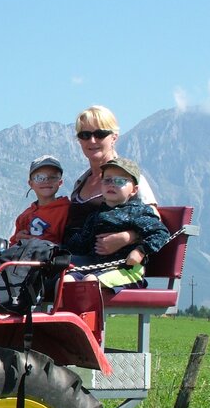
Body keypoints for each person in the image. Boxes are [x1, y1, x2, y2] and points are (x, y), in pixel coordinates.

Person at [63, 158, 169, 290]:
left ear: (134, 190)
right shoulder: (96, 216)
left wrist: (140, 251)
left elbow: (161, 233)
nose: (112, 184)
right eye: (107, 180)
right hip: (97, 266)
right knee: (66, 280)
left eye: (120, 181)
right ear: (101, 185)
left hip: (127, 271)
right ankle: (70, 310)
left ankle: (89, 311)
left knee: (90, 281)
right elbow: (82, 243)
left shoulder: (137, 211)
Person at [66, 105, 158, 252]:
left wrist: (127, 238)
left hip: (109, 265)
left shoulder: (130, 178)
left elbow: (154, 221)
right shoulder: (81, 181)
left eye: (100, 134)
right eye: (85, 135)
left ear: (114, 137)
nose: (92, 140)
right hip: (72, 256)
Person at [9, 155, 70, 246]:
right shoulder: (24, 216)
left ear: (60, 182)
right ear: (31, 184)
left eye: (52, 177)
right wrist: (18, 240)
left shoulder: (67, 210)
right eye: (39, 178)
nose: (46, 181)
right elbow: (12, 246)